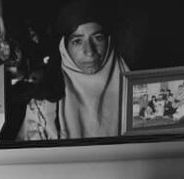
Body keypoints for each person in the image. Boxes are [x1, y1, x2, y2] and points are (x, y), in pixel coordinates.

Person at [17, 0, 127, 140]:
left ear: (109, 41)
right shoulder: (43, 107)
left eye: (98, 38)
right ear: (64, 48)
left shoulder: (138, 90)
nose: (89, 51)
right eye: (77, 41)